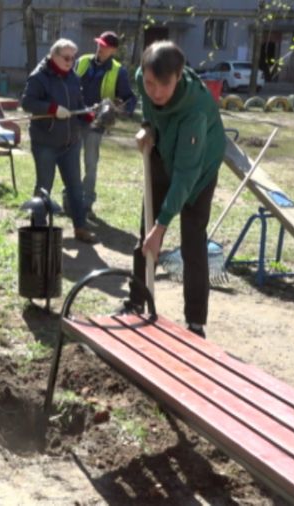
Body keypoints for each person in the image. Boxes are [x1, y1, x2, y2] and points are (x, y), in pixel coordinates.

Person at [126, 41, 226, 338]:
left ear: (179, 76)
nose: (155, 92)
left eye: (163, 85)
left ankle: (195, 323)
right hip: (163, 152)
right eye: (149, 83)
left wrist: (162, 227)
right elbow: (148, 103)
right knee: (146, 234)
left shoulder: (194, 110)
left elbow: (186, 175)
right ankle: (136, 303)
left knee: (192, 243)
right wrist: (147, 125)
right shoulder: (143, 81)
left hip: (198, 169)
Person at [21, 38, 97, 244]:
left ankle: (80, 227)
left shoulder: (72, 76)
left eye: (73, 58)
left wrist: (88, 114)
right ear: (54, 55)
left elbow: (78, 103)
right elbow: (27, 102)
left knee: (75, 187)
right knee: (44, 186)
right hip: (45, 142)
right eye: (66, 57)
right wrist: (52, 109)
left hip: (70, 142)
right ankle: (38, 229)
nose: (70, 61)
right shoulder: (39, 77)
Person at [74, 31, 137, 220]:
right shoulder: (83, 61)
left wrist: (122, 109)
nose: (99, 48)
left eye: (104, 46)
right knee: (71, 163)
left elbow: (129, 98)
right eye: (98, 44)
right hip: (75, 120)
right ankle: (71, 199)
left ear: (113, 50)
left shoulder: (119, 71)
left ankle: (86, 203)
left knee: (90, 164)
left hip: (95, 124)